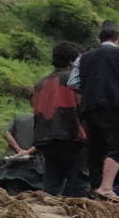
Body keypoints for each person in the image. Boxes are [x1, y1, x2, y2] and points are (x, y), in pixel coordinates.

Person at [76, 22, 119, 201]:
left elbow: (73, 83)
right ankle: (106, 188)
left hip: (90, 108)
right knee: (117, 147)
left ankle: (95, 189)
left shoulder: (84, 57)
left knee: (96, 148)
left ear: (99, 40)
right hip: (116, 105)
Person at [31, 42, 87, 197]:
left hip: (45, 138)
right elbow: (83, 106)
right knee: (79, 181)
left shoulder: (40, 84)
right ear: (72, 61)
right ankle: (77, 216)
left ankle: (47, 212)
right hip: (72, 135)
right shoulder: (74, 81)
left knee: (52, 182)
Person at [0, 114, 45, 193]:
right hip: (34, 169)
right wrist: (28, 152)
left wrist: (18, 150)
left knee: (12, 199)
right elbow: (43, 141)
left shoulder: (18, 119)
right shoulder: (45, 123)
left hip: (13, 165)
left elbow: (7, 133)